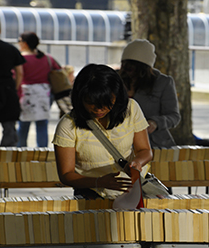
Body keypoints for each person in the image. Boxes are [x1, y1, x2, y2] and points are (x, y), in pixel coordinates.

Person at [53, 64, 153, 199]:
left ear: (117, 95)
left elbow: (145, 150)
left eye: (107, 102)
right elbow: (66, 175)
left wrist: (137, 163)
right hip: (92, 195)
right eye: (91, 102)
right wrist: (99, 182)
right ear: (79, 98)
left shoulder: (131, 108)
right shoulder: (68, 125)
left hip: (132, 191)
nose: (99, 109)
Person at [119, 39, 181, 148]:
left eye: (133, 67)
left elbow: (174, 116)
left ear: (144, 68)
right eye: (125, 65)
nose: (128, 71)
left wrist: (155, 122)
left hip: (154, 144)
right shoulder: (114, 80)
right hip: (119, 142)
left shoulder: (163, 83)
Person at [16, 32, 61, 147]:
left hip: (26, 95)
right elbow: (58, 70)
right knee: (42, 125)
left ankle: (20, 152)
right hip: (44, 94)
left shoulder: (20, 59)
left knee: (23, 126)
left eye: (19, 41)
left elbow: (16, 75)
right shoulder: (47, 57)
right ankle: (42, 153)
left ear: (24, 44)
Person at [0, 20, 25, 147]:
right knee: (9, 129)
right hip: (7, 89)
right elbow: (20, 72)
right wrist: (15, 87)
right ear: (0, 30)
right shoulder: (10, 49)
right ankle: (3, 160)